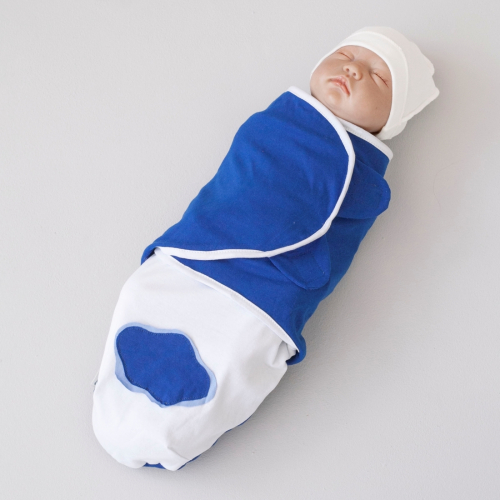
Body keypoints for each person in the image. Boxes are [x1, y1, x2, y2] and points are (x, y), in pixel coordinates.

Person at [92, 26, 439, 471]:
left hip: (265, 292)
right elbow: (237, 178)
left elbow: (338, 241)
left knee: (235, 352)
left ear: (391, 121)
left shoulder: (366, 183)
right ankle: (116, 393)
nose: (354, 68)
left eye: (379, 76)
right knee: (143, 295)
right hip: (197, 248)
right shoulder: (274, 124)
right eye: (347, 55)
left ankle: (177, 429)